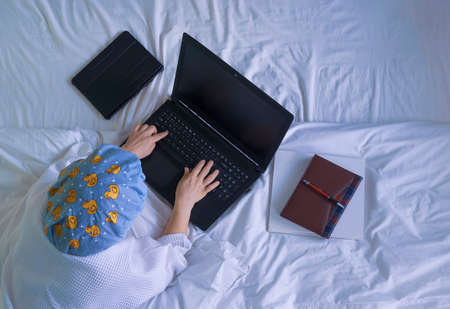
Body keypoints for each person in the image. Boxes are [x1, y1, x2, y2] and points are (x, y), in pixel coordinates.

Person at [3, 124, 221, 308]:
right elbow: (171, 254)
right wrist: (185, 201)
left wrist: (125, 154)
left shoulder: (41, 200)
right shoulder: (116, 270)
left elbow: (81, 178)